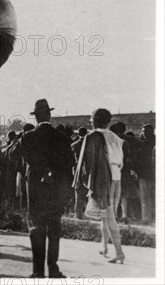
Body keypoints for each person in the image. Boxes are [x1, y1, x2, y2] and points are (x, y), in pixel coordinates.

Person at [20, 99, 73, 278]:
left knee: (36, 228)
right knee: (54, 228)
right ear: (49, 116)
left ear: (36, 118)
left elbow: (25, 161)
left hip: (36, 191)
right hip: (56, 190)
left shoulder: (27, 138)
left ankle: (37, 271)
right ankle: (54, 268)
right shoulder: (63, 138)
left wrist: (43, 171)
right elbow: (69, 165)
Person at [74, 109, 125, 264]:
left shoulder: (92, 137)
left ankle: (119, 252)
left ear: (94, 121)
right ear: (108, 121)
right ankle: (104, 246)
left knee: (109, 217)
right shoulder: (116, 138)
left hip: (103, 181)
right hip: (116, 179)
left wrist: (84, 181)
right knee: (106, 215)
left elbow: (86, 162)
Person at [110, 123, 140, 223]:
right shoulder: (125, 142)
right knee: (124, 194)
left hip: (112, 170)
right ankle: (125, 215)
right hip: (124, 170)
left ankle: (114, 215)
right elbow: (127, 157)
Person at [135, 124, 155, 223]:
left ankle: (147, 218)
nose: (144, 133)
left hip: (148, 173)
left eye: (146, 131)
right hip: (145, 174)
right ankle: (148, 218)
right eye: (143, 131)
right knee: (147, 197)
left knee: (147, 197)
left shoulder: (143, 144)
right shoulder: (143, 143)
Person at [71, 127, 88, 219]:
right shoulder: (89, 145)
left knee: (78, 192)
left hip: (77, 169)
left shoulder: (74, 145)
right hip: (88, 170)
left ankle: (78, 214)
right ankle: (90, 213)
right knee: (89, 192)